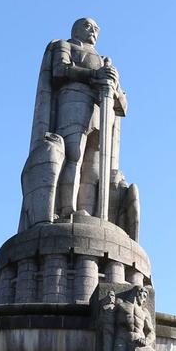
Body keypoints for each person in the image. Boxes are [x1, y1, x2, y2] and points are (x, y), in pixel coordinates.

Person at [28, 18, 127, 219]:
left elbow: (123, 105)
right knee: (74, 154)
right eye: (88, 26)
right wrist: (93, 74)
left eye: (96, 28)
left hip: (101, 112)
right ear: (76, 29)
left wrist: (115, 87)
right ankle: (66, 209)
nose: (93, 31)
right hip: (73, 102)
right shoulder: (65, 46)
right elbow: (59, 70)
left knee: (94, 166)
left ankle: (87, 212)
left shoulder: (104, 60)